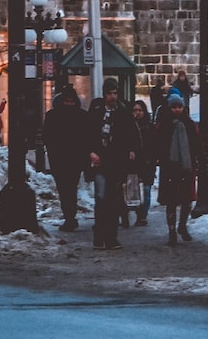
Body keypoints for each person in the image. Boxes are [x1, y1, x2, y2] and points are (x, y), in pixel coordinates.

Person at [87, 79, 138, 251]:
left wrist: (131, 149)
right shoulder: (96, 111)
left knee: (114, 200)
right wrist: (91, 152)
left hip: (116, 161)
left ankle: (111, 237)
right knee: (102, 198)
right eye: (110, 93)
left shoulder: (122, 112)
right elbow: (88, 133)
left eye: (115, 93)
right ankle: (100, 237)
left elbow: (131, 133)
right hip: (100, 161)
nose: (112, 96)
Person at [43, 86, 90, 232]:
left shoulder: (55, 115)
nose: (69, 104)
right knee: (66, 189)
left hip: (69, 158)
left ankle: (70, 216)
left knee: (68, 188)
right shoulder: (79, 115)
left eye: (71, 101)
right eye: (67, 101)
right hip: (63, 158)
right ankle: (70, 215)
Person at [156, 93, 201, 246]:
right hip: (170, 167)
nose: (177, 110)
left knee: (186, 199)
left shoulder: (189, 124)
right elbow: (159, 145)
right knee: (171, 201)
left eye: (179, 107)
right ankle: (172, 230)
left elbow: (196, 144)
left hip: (186, 167)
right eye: (174, 107)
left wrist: (198, 160)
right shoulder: (164, 125)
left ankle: (182, 226)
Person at [130, 100, 157, 226]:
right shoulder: (129, 126)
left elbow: (154, 144)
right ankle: (137, 213)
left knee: (146, 189)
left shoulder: (150, 126)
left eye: (140, 110)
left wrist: (152, 159)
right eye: (135, 110)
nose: (137, 113)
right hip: (134, 162)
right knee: (135, 189)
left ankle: (143, 215)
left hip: (147, 162)